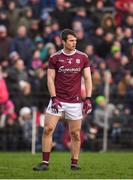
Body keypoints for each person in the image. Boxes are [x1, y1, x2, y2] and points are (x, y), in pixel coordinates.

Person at [33, 29, 92, 171]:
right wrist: (53, 98)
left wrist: (88, 99)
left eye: (75, 40)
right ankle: (45, 163)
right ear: (63, 41)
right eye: (71, 40)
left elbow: (88, 78)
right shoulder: (54, 58)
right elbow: (50, 79)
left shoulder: (83, 57)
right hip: (57, 100)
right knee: (47, 129)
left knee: (75, 134)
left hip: (75, 102)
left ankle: (74, 163)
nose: (74, 43)